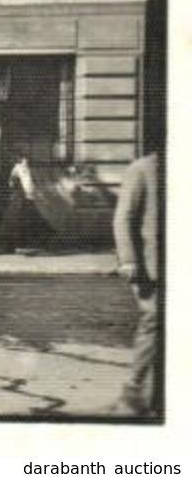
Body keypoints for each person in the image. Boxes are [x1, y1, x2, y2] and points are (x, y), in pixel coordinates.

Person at [111, 151, 161, 416]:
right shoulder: (142, 169)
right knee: (153, 322)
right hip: (152, 267)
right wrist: (128, 260)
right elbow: (123, 218)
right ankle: (133, 392)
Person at [0, 154, 52, 253]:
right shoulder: (22, 169)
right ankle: (38, 242)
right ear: (22, 160)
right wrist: (30, 194)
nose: (27, 161)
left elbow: (11, 184)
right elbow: (27, 184)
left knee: (13, 220)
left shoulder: (17, 169)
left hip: (16, 197)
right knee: (23, 219)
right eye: (25, 159)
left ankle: (9, 244)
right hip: (21, 197)